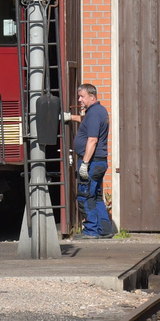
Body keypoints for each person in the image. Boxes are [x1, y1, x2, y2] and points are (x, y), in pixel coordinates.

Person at [73, 83, 115, 238]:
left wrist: (84, 163)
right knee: (96, 196)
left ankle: (91, 231)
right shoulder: (98, 111)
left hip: (92, 162)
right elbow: (85, 121)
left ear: (91, 96)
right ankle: (105, 230)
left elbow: (92, 140)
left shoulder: (94, 113)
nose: (79, 99)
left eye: (82, 96)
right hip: (99, 161)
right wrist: (70, 117)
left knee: (86, 195)